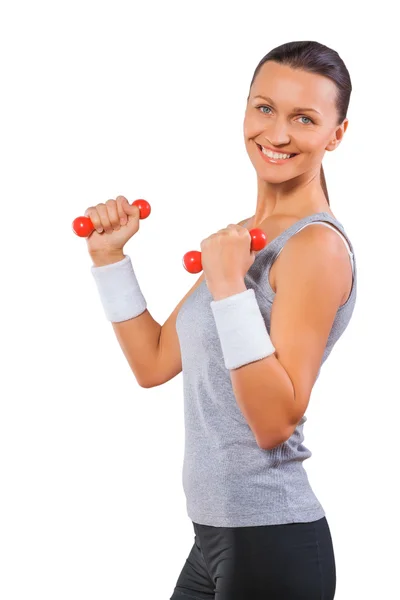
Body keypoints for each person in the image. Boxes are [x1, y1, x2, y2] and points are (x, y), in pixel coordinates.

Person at [85, 40, 356, 599]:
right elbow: (154, 361)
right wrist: (110, 259)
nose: (277, 134)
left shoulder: (314, 249)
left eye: (304, 119)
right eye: (264, 108)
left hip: (272, 542)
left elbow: (276, 422)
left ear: (336, 134)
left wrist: (230, 286)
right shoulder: (241, 238)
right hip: (215, 537)